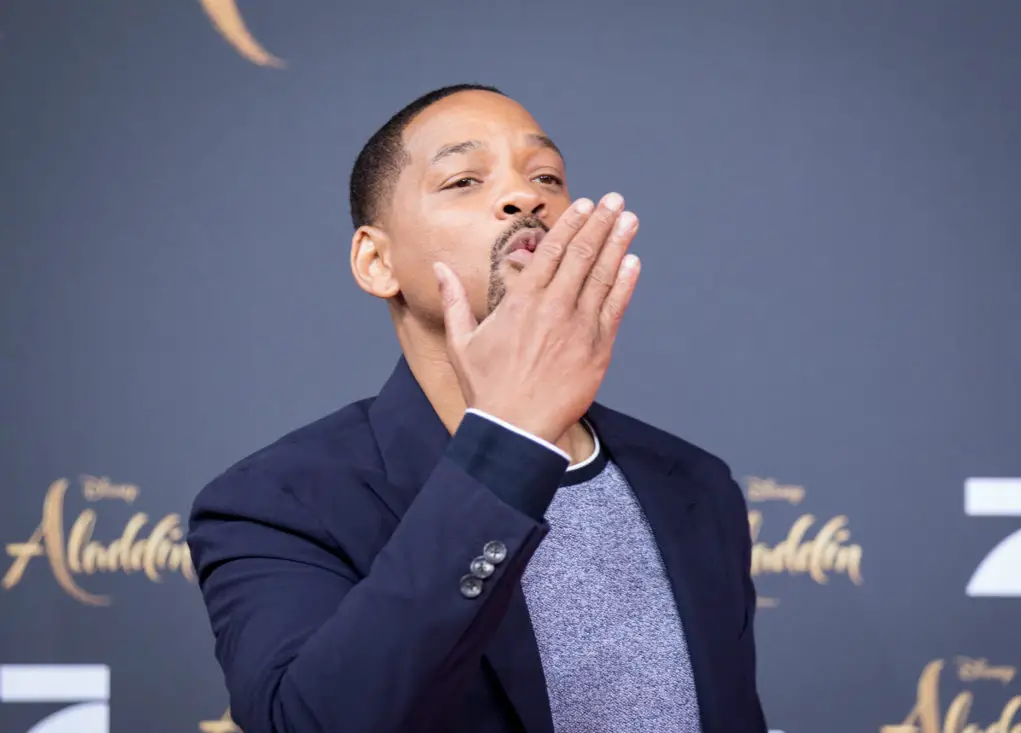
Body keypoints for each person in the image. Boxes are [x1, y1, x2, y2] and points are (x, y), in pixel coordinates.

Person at [187, 83, 768, 733]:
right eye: (464, 180)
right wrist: (509, 441)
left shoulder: (694, 484)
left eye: (546, 177)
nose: (526, 197)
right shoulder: (279, 502)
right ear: (376, 260)